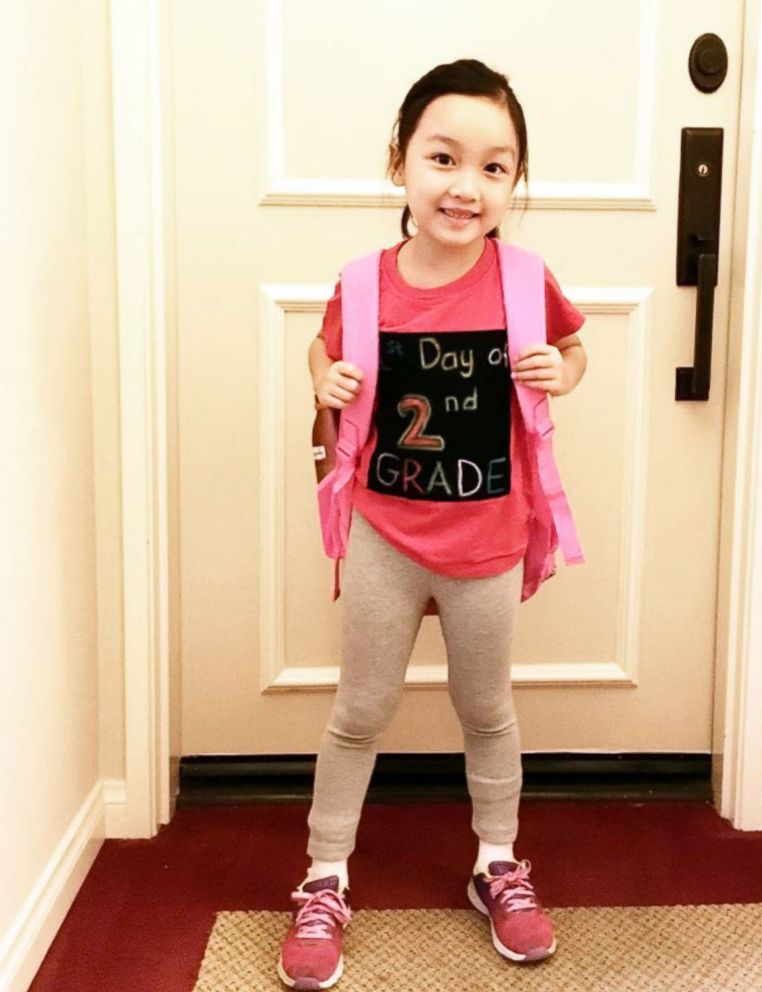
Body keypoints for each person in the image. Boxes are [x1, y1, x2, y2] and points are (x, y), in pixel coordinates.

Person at [279, 57, 588, 990]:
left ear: (513, 182)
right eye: (444, 158)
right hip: (384, 532)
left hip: (486, 538)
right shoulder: (364, 283)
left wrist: (557, 375)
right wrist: (320, 382)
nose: (466, 186)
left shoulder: (525, 280)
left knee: (485, 710)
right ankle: (324, 876)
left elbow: (573, 350)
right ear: (399, 164)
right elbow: (320, 348)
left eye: (495, 168)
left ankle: (497, 860)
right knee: (359, 711)